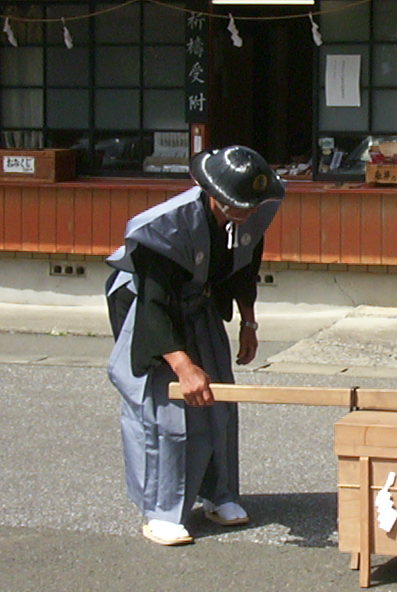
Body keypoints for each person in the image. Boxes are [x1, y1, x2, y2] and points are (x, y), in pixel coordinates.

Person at [105, 145, 284, 545]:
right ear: (215, 195)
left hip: (201, 307)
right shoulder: (167, 229)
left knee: (217, 403)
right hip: (157, 316)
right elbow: (154, 302)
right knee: (167, 414)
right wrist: (183, 365)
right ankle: (162, 511)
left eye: (253, 204)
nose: (249, 211)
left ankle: (219, 495)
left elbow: (244, 268)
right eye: (240, 205)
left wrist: (249, 322)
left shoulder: (250, 214)